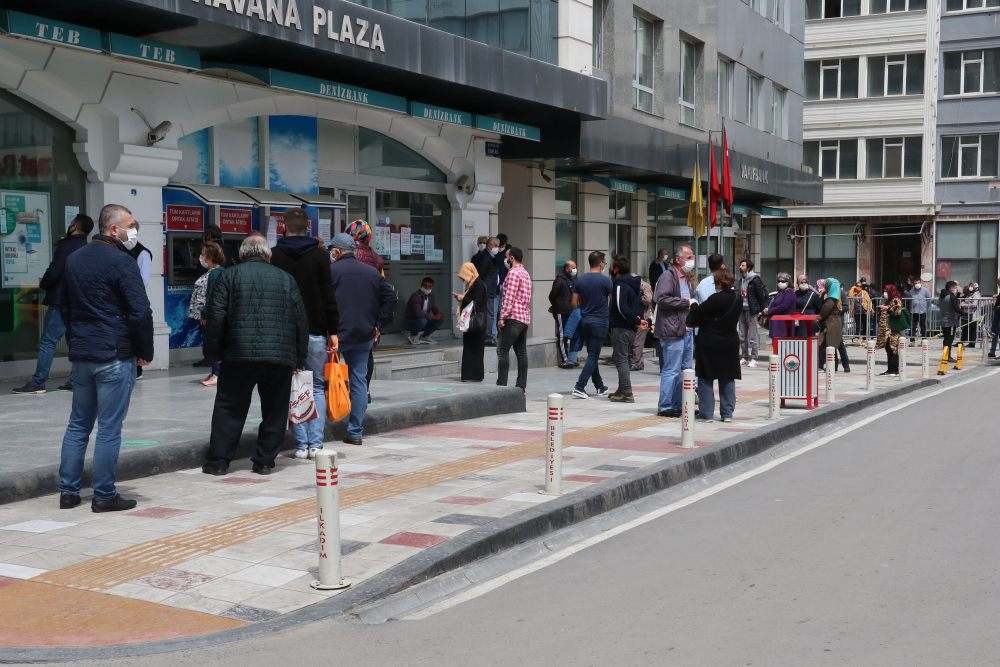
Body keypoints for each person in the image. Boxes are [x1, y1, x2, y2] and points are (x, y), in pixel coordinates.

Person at [57, 204, 152, 512]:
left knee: (78, 425)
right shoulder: (122, 261)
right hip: (113, 354)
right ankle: (104, 494)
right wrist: (144, 352)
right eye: (131, 225)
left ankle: (68, 493)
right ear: (114, 229)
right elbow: (140, 311)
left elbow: (65, 308)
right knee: (109, 427)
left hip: (83, 356)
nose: (133, 231)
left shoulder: (74, 259)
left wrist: (78, 341)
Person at [202, 235, 308, 476]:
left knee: (229, 408)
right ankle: (264, 461)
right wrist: (298, 359)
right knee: (275, 409)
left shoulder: (228, 276)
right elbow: (301, 322)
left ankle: (218, 462)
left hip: (237, 355)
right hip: (279, 357)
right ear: (268, 256)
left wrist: (215, 354)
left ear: (240, 256)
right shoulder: (286, 279)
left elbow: (215, 319)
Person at [270, 208, 340, 460]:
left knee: (294, 386)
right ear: (308, 226)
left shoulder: (274, 255)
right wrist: (333, 331)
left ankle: (300, 445)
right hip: (316, 331)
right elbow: (328, 296)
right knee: (318, 387)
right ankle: (316, 444)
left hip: (285, 334)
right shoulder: (320, 256)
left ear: (284, 226)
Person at [329, 233, 397, 445]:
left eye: (332, 250)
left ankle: (318, 433)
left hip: (335, 336)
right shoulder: (371, 272)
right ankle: (355, 432)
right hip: (365, 334)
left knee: (324, 380)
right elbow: (391, 298)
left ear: (337, 251)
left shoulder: (331, 271)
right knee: (359, 383)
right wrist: (378, 326)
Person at [13, 214, 93, 394]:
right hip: (79, 302)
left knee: (48, 341)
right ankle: (75, 380)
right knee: (74, 341)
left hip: (61, 301)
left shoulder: (66, 245)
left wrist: (43, 284)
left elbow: (55, 271)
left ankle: (38, 382)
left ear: (73, 226)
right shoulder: (87, 248)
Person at [687, 269, 741, 422]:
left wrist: (693, 305)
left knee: (705, 377)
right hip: (730, 341)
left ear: (718, 283)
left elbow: (697, 314)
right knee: (728, 377)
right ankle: (727, 414)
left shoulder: (714, 299)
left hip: (710, 341)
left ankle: (707, 413)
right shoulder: (738, 298)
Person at [345, 219, 387, 403]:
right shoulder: (377, 259)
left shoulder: (342, 256)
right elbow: (384, 291)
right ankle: (364, 390)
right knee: (365, 354)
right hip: (368, 313)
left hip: (345, 311)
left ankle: (342, 390)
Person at [656, 245, 696, 418]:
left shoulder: (685, 278)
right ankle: (665, 406)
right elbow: (662, 299)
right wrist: (686, 303)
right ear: (678, 260)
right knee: (671, 370)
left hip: (687, 330)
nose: (691, 261)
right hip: (673, 330)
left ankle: (679, 405)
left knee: (685, 371)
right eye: (689, 257)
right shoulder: (668, 275)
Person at [571, 251, 613, 399]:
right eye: (605, 263)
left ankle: (600, 386)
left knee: (592, 355)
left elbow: (574, 303)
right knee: (593, 355)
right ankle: (579, 386)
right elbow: (613, 300)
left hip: (586, 321)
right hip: (600, 322)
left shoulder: (580, 280)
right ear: (601, 263)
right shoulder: (606, 281)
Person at [607, 255, 647, 403]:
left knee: (621, 359)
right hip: (631, 328)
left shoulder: (619, 284)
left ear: (616, 269)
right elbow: (640, 304)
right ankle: (621, 389)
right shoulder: (634, 284)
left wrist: (636, 320)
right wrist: (637, 319)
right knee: (622, 358)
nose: (610, 268)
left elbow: (620, 306)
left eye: (611, 265)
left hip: (621, 327)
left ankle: (627, 392)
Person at [188, 241, 226, 386]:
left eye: (203, 254)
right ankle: (215, 372)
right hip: (208, 316)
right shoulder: (213, 272)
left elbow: (211, 296)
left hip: (210, 317)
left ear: (210, 258)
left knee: (213, 344)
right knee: (210, 344)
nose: (201, 257)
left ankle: (217, 374)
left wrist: (205, 314)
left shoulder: (216, 273)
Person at [496, 246, 531, 391]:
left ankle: (501, 386)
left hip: (513, 317)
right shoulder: (525, 273)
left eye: (506, 256)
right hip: (523, 317)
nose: (505, 259)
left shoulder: (513, 274)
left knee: (502, 350)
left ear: (511, 258)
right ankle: (521, 386)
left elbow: (508, 298)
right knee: (521, 353)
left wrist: (501, 317)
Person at [453, 262, 487, 382]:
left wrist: (463, 298)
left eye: (464, 276)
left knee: (475, 348)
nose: (463, 280)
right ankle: (469, 375)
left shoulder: (479, 285)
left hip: (476, 323)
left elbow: (476, 303)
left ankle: (474, 375)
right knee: (469, 348)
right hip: (471, 322)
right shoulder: (472, 285)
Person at [738, 259, 767, 367]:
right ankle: (744, 357)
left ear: (748, 267)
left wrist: (761, 308)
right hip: (742, 309)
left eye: (743, 265)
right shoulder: (741, 279)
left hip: (751, 310)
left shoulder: (755, 279)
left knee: (753, 335)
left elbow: (760, 295)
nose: (740, 267)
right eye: (740, 265)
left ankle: (754, 358)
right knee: (742, 335)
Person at [548, 260, 577, 368]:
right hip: (561, 312)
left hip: (570, 312)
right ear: (567, 269)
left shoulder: (570, 280)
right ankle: (565, 359)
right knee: (562, 335)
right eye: (573, 268)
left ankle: (570, 358)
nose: (575, 270)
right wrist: (556, 306)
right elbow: (552, 296)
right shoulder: (560, 280)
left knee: (570, 335)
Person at [876, 284, 906, 376]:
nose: (885, 293)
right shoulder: (889, 300)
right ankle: (891, 369)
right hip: (887, 329)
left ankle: (893, 369)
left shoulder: (896, 299)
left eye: (886, 290)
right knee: (889, 348)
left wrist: (887, 308)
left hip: (892, 329)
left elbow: (897, 311)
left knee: (892, 349)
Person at [404, 277, 444, 345]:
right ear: (421, 285)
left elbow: (434, 307)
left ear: (432, 287)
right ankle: (413, 335)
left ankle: (425, 336)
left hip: (423, 321)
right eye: (425, 286)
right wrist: (433, 316)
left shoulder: (431, 295)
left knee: (440, 319)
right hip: (411, 323)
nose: (427, 288)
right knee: (423, 320)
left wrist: (438, 314)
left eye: (429, 286)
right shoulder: (415, 296)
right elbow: (418, 313)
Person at [816, 278, 845, 373]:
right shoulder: (836, 296)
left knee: (825, 344)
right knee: (830, 345)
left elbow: (826, 309)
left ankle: (825, 366)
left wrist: (819, 317)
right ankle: (832, 367)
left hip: (830, 323)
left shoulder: (831, 298)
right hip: (833, 323)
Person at [478, 237, 501, 346]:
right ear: (489, 246)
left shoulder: (491, 257)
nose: (497, 248)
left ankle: (487, 336)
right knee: (489, 315)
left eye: (498, 246)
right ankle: (487, 337)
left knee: (489, 314)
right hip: (487, 291)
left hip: (490, 290)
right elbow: (481, 274)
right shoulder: (486, 257)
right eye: (495, 246)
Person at [630, 273, 653, 371]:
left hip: (643, 317)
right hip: (633, 317)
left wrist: (633, 301)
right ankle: (638, 362)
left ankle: (636, 363)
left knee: (637, 342)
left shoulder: (645, 286)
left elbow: (647, 299)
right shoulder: (630, 286)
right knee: (632, 341)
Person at [765, 273, 796, 343]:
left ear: (788, 282)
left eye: (782, 281)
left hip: (784, 324)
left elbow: (784, 306)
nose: (780, 283)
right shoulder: (780, 292)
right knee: (776, 345)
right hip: (776, 323)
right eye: (779, 281)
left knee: (783, 345)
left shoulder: (790, 292)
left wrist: (770, 310)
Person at [493, 233, 510, 343]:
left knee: (502, 311)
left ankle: (504, 333)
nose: (500, 248)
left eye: (502, 246)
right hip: (495, 285)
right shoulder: (494, 252)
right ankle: (494, 335)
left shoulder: (509, 252)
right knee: (494, 312)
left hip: (504, 284)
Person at [939, 281, 962, 361]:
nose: (956, 289)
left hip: (943, 319)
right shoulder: (951, 296)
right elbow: (956, 308)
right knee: (949, 339)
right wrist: (963, 313)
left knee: (946, 338)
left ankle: (945, 355)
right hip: (951, 320)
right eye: (955, 288)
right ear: (951, 288)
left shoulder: (942, 296)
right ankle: (948, 356)